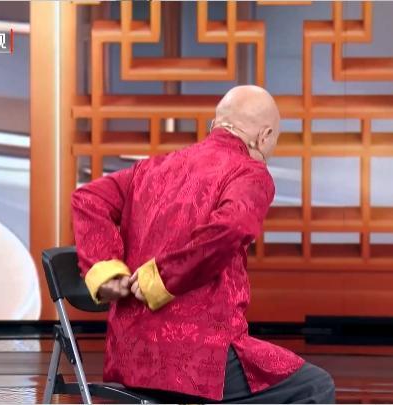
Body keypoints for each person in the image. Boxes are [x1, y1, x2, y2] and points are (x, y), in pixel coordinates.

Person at [71, 85, 335, 404]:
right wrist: (163, 277)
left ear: (215, 125)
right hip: (196, 362)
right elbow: (232, 226)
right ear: (264, 137)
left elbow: (87, 198)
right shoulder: (250, 173)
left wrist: (106, 269)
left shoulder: (152, 168)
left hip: (130, 358)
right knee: (315, 386)